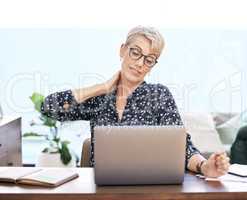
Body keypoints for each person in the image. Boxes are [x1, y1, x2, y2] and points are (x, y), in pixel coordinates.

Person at [41, 26, 230, 178]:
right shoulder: (100, 99)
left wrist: (205, 167)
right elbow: (49, 107)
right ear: (122, 50)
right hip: (101, 191)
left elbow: (182, 147)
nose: (140, 63)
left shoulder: (158, 95)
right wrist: (102, 87)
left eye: (149, 60)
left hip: (146, 189)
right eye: (135, 53)